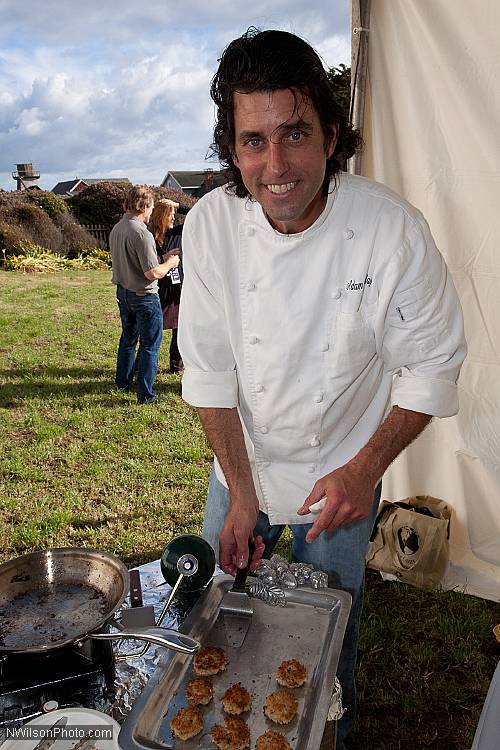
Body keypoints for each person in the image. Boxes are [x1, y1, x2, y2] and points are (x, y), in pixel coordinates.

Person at [177, 29, 466, 748]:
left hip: (342, 476)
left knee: (328, 650)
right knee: (219, 629)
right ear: (232, 148)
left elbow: (432, 365)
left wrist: (364, 471)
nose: (275, 166)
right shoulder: (212, 225)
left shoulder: (388, 230)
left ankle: (330, 734)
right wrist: (241, 492)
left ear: (332, 136)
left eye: (295, 134)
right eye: (252, 142)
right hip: (239, 465)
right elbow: (210, 372)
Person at [110, 185, 180, 404]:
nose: (152, 213)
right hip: (144, 297)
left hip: (124, 292)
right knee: (150, 346)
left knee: (128, 339)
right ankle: (146, 395)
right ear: (145, 205)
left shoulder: (118, 228)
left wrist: (161, 257)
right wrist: (170, 262)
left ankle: (123, 382)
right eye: (151, 207)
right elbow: (152, 273)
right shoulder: (142, 232)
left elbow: (135, 263)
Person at [149, 199, 187, 373]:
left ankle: (176, 365)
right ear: (162, 216)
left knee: (180, 328)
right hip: (157, 287)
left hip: (177, 287)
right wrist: (165, 257)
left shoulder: (178, 233)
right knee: (151, 329)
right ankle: (142, 365)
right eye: (170, 214)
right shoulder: (149, 236)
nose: (173, 218)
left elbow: (196, 214)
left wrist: (178, 205)